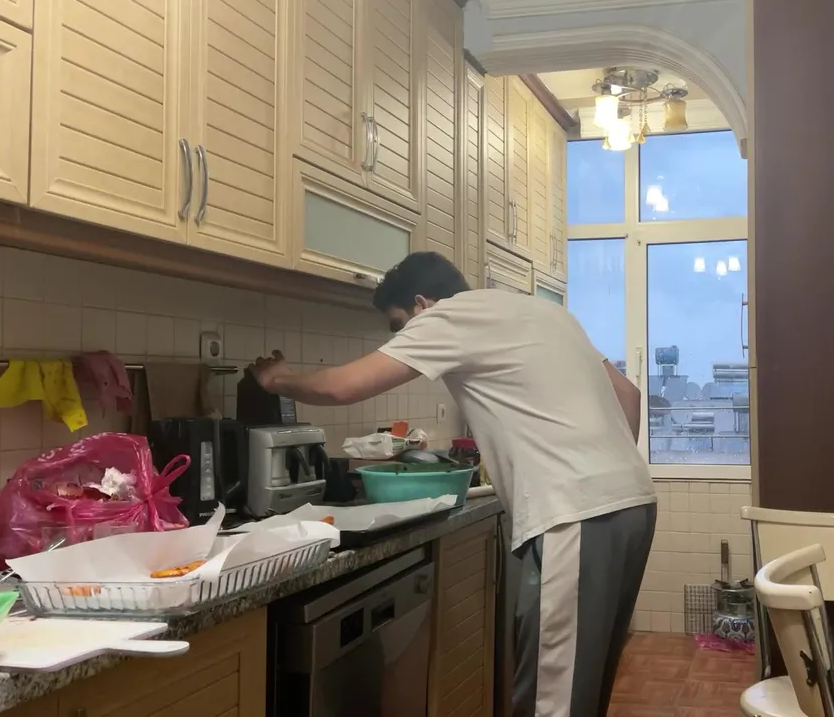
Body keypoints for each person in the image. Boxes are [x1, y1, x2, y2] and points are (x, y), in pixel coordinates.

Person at [248, 251, 657, 717]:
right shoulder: (547, 313)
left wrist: (279, 380)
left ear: (422, 304)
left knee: (554, 705)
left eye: (399, 324)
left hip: (576, 513)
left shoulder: (448, 316)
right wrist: (605, 475)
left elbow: (342, 387)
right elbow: (628, 396)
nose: (402, 337)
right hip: (633, 503)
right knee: (581, 691)